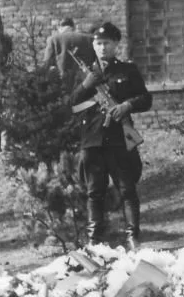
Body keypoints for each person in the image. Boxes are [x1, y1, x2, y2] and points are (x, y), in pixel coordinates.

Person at [71, 22, 153, 249]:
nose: (103, 48)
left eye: (107, 43)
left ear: (116, 44)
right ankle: (94, 241)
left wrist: (127, 105)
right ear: (93, 45)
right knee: (94, 192)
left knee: (127, 189)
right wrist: (86, 85)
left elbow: (146, 99)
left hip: (119, 138)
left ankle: (133, 237)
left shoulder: (128, 70)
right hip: (93, 139)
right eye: (98, 43)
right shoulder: (85, 73)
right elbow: (72, 104)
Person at [42, 17, 96, 83]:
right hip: (86, 80)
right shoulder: (89, 38)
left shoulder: (53, 39)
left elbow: (47, 62)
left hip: (63, 81)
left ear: (59, 27)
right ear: (73, 27)